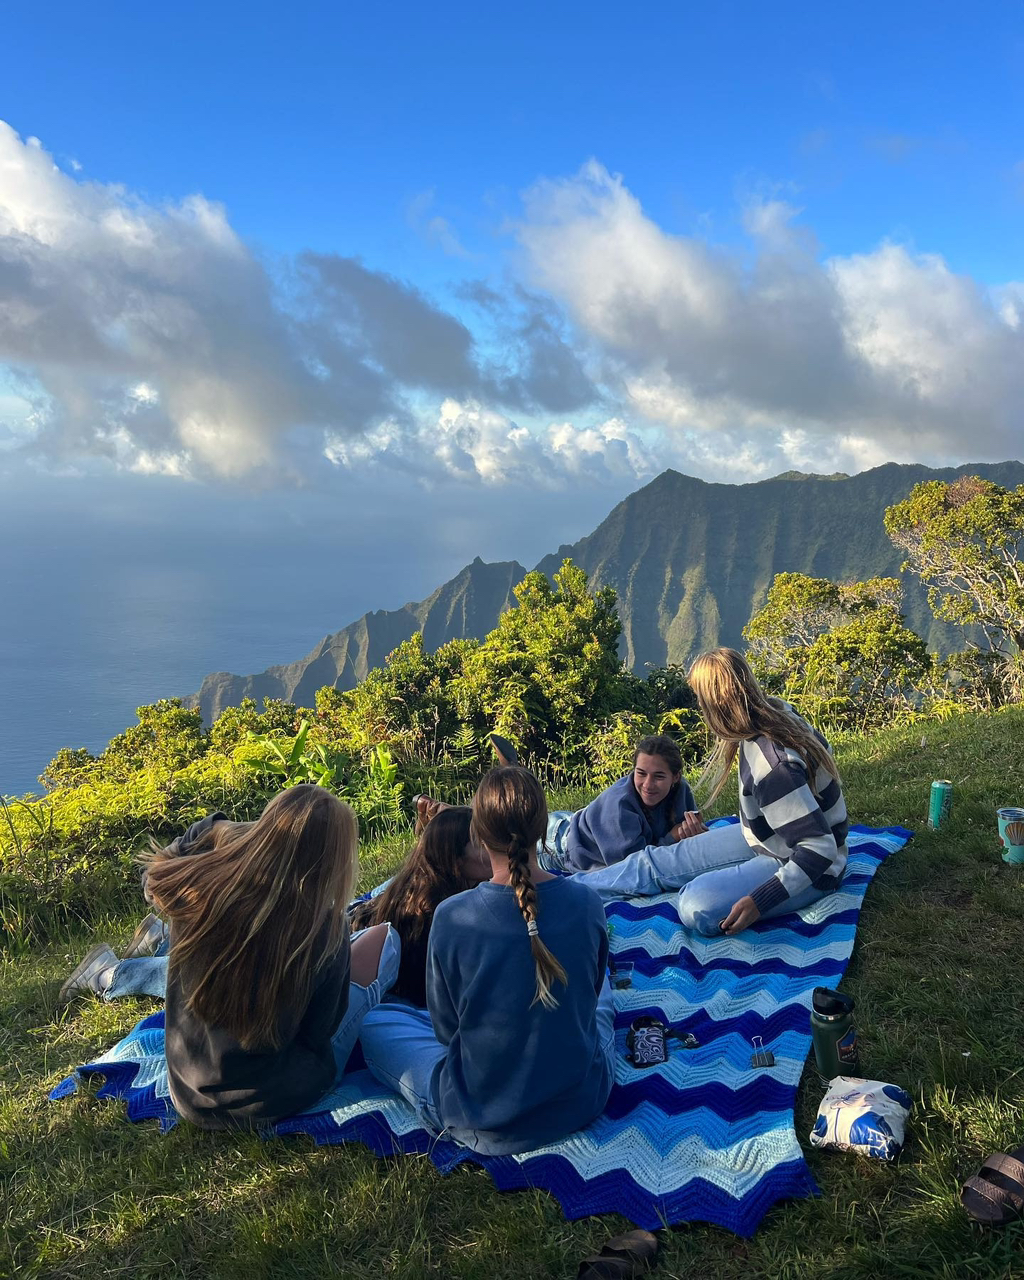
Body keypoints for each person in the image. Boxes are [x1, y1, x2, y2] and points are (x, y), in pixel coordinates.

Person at [102, 784, 396, 1129]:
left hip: (188, 1091)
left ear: (263, 828)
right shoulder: (323, 930)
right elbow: (320, 1034)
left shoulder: (197, 885)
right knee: (386, 943)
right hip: (271, 1100)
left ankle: (144, 950)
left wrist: (225, 828)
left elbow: (164, 868)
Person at [359, 766, 615, 1156]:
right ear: (544, 827)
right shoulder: (587, 903)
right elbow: (590, 993)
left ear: (478, 834)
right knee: (600, 1005)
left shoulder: (452, 916)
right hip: (581, 1101)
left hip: (480, 1118)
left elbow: (446, 1032)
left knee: (375, 1021)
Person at [577, 649, 849, 937]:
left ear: (715, 703)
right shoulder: (775, 710)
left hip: (812, 870)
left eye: (700, 699)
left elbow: (820, 848)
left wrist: (761, 900)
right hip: (769, 837)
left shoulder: (774, 766)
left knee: (696, 905)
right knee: (655, 861)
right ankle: (562, 891)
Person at [349, 806, 491, 1007]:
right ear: (456, 859)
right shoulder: (440, 915)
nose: (494, 848)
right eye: (481, 843)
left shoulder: (417, 885)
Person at [546, 733, 705, 871]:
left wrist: (695, 831)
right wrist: (671, 838)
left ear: (675, 777)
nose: (648, 785)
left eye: (659, 776)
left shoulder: (681, 789)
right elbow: (635, 869)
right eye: (641, 773)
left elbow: (692, 833)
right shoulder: (619, 807)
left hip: (583, 824)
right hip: (557, 846)